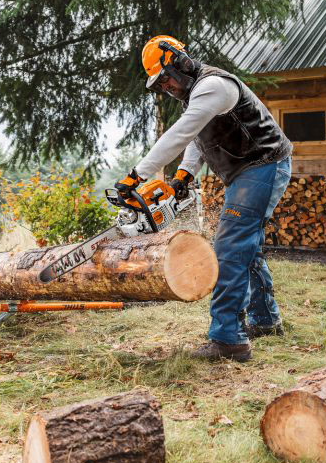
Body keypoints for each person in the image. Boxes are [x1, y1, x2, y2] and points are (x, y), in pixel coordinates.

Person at [115, 36, 293, 361]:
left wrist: (137, 175)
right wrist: (184, 174)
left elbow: (181, 132)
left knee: (230, 246)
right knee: (244, 246)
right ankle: (265, 320)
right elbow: (198, 138)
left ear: (181, 62)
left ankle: (229, 340)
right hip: (249, 169)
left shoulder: (214, 86)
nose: (166, 86)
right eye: (160, 84)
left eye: (167, 77)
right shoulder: (196, 95)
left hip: (263, 164)